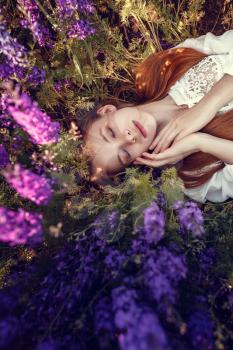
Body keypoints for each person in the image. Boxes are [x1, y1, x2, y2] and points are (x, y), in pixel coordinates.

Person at [81, 29, 233, 203]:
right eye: (124, 153)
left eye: (111, 132)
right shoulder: (190, 178)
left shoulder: (161, 69)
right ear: (134, 162)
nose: (129, 138)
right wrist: (201, 142)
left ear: (107, 111)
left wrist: (206, 108)